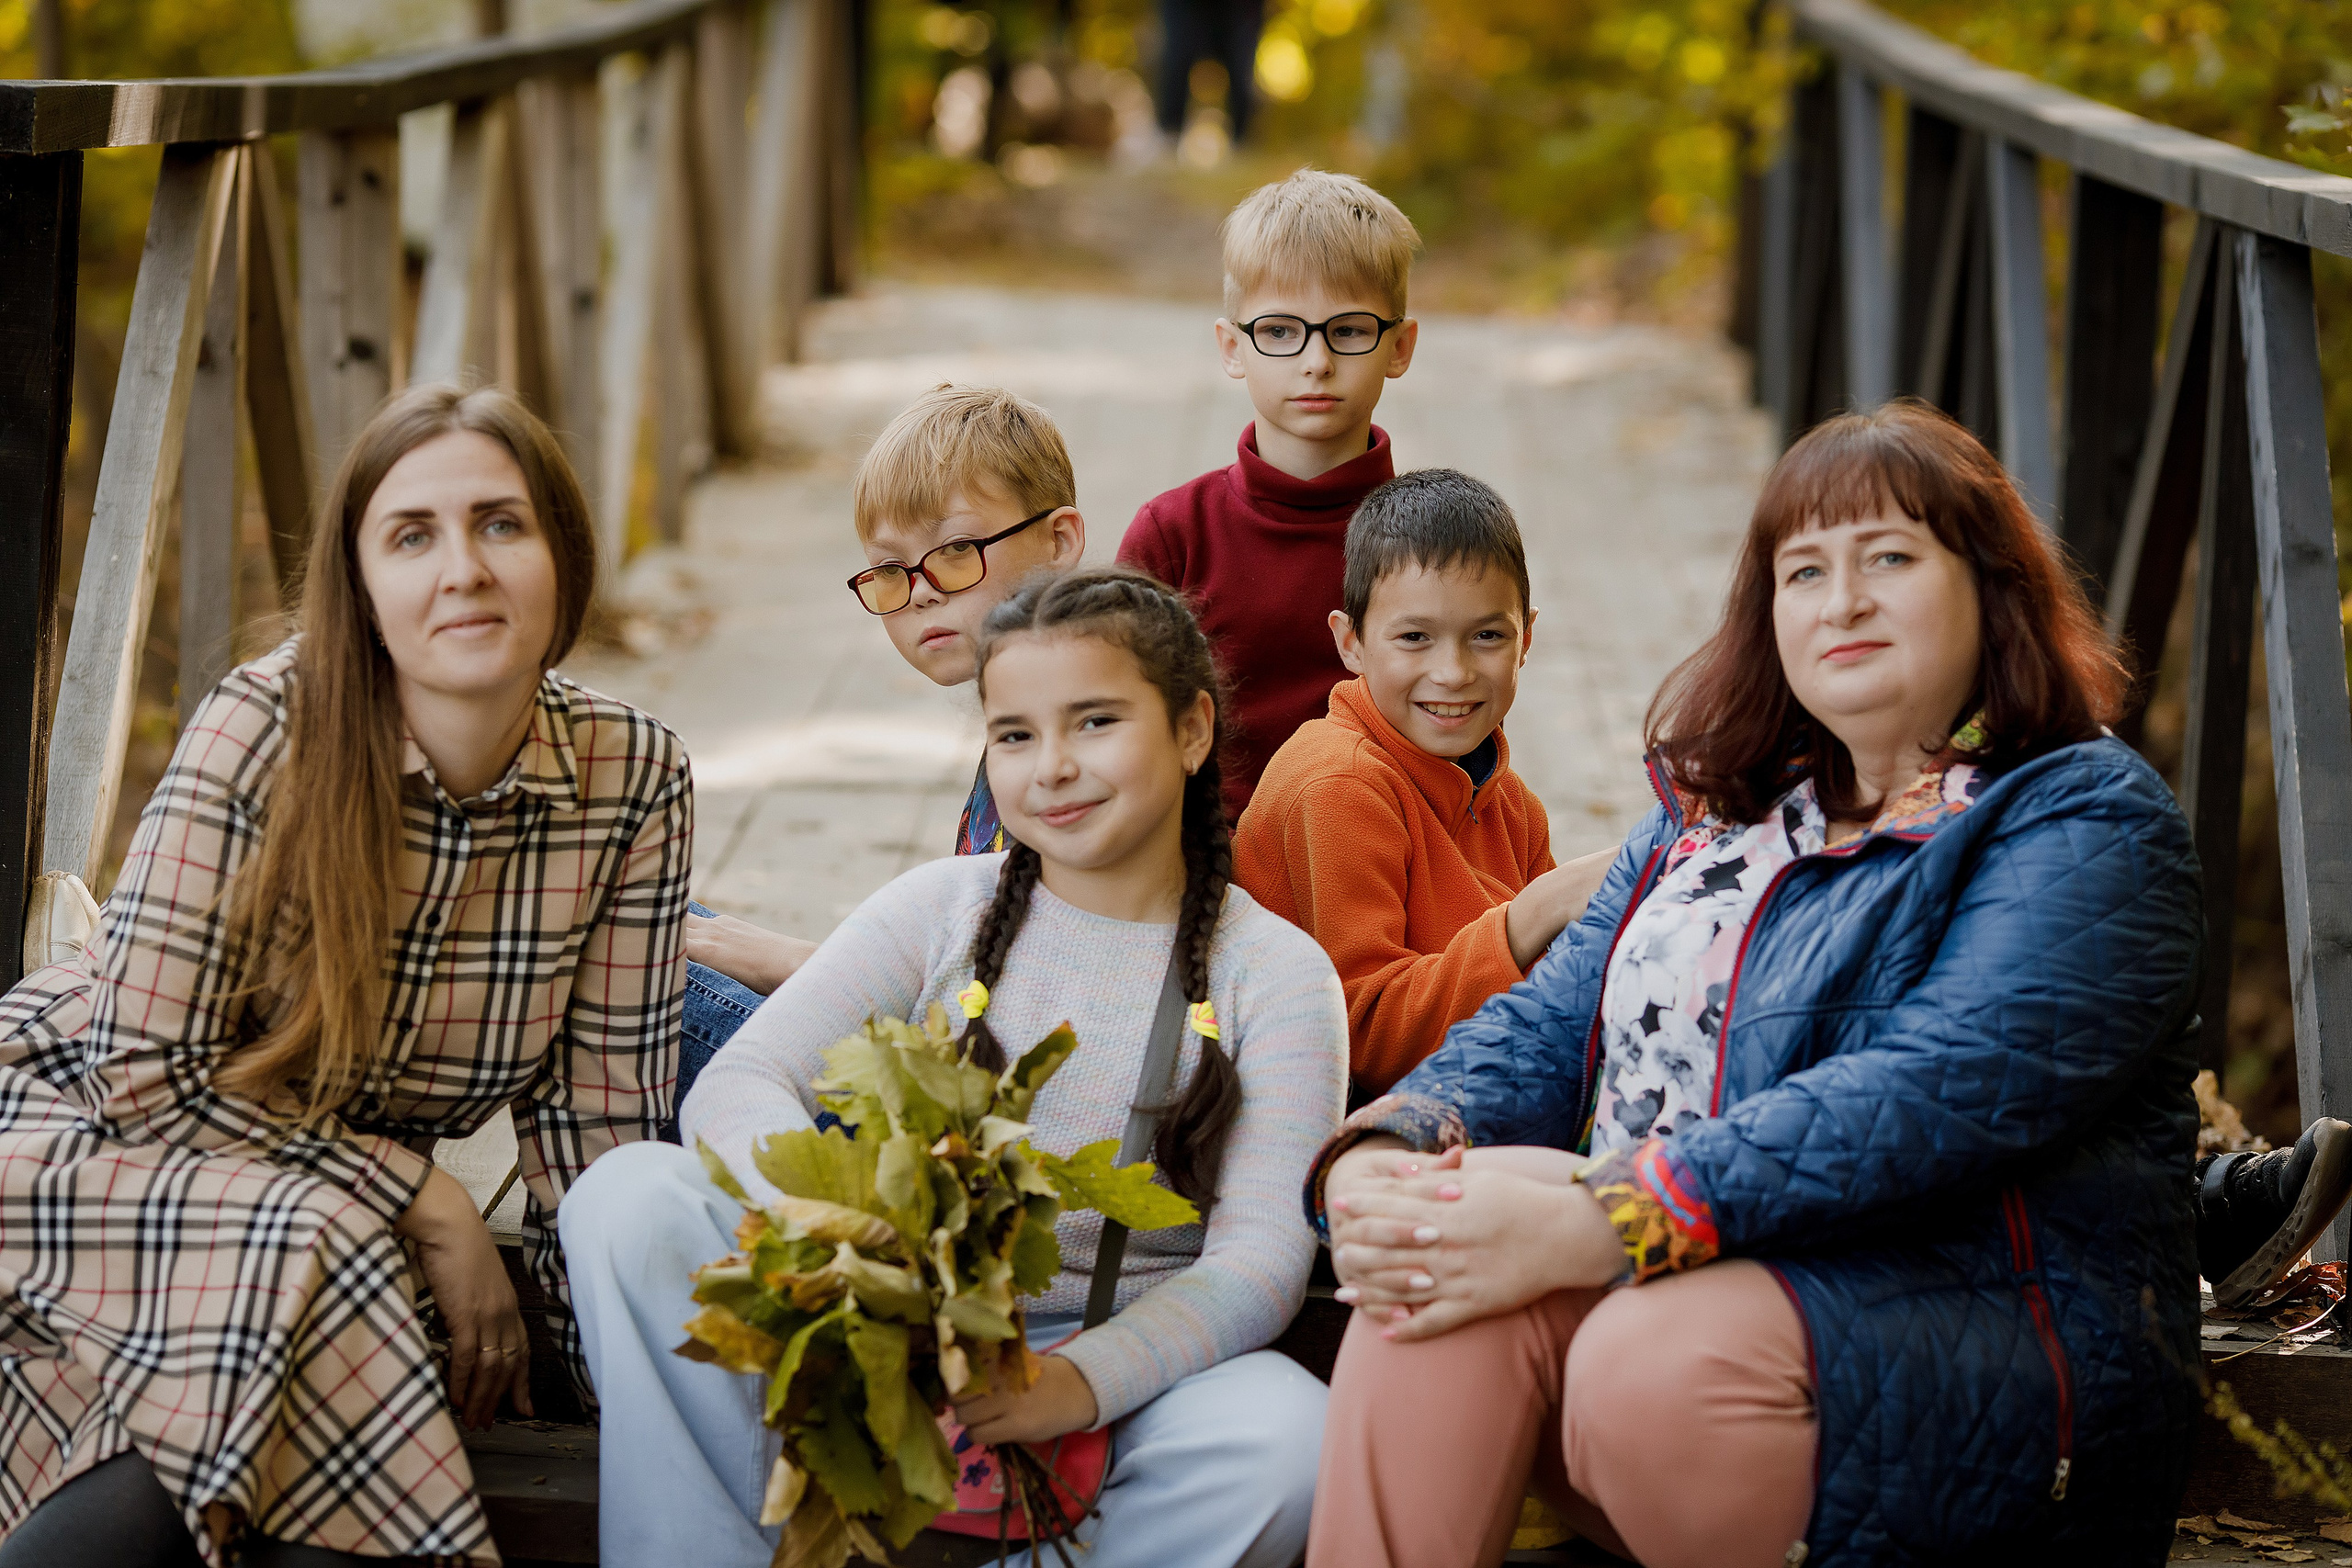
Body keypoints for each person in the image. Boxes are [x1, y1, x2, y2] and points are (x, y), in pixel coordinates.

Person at [1305, 401, 2206, 1565]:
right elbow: (1545, 1024)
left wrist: (1613, 1217)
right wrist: (1392, 1146)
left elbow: (1930, 1093)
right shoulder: (1721, 807)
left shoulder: (2079, 814)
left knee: (1654, 1365)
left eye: (1889, 558)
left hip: (1963, 1332)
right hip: (1677, 1294)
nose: (1843, 601)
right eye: (1804, 569)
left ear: (1988, 586)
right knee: (1436, 1243)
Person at [0, 385, 690, 1567]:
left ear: (563, 555)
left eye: (501, 523)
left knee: (315, 1283)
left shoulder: (632, 779)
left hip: (314, 1215)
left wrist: (608, 1391)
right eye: (412, 535)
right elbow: (141, 1078)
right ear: (360, 589)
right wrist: (424, 1196)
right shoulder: (264, 725)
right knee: (326, 1243)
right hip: (90, 1134)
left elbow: (597, 1124)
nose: (462, 568)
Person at [560, 567, 1346, 1568]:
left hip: (1115, 1378)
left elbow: (1262, 1257)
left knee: (1287, 1439)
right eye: (1014, 734)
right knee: (629, 1197)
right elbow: (744, 1076)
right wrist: (864, 1250)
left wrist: (1075, 1383)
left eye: (1095, 722)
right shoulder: (939, 909)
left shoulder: (1277, 975)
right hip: (879, 1335)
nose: (1050, 767)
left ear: (1192, 731)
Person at [674, 384, 1087, 1108]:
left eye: (956, 550)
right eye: (892, 570)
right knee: (636, 910)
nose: (921, 591)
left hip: (973, 1146)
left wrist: (798, 965)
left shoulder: (1077, 760)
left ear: (1059, 541)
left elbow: (1018, 1027)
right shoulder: (1015, 733)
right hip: (946, 1085)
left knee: (627, 959)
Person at [1235, 469, 1611, 1098]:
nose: (1454, 671)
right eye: (1415, 638)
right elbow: (1365, 1038)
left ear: (1527, 640)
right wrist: (1537, 911)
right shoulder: (1340, 785)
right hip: (1327, 1123)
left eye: (1487, 636)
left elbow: (1559, 985)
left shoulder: (1511, 803)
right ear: (1350, 641)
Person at [1116, 168, 1420, 818]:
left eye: (1349, 330)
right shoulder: (1174, 534)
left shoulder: (1432, 541)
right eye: (1281, 332)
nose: (1317, 361)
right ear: (1232, 347)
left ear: (1399, 346)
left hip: (1378, 857)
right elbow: (1121, 718)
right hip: (1206, 870)